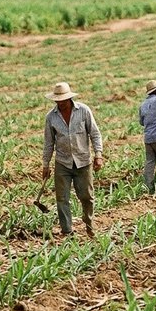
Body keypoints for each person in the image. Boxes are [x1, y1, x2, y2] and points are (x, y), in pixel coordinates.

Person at [42, 82, 103, 237]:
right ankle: (67, 230)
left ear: (69, 98)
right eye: (58, 100)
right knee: (62, 199)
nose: (60, 103)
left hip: (83, 161)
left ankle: (89, 224)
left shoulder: (83, 111)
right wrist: (45, 164)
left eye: (63, 100)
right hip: (63, 162)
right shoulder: (51, 117)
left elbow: (95, 134)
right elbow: (49, 143)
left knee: (87, 197)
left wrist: (98, 155)